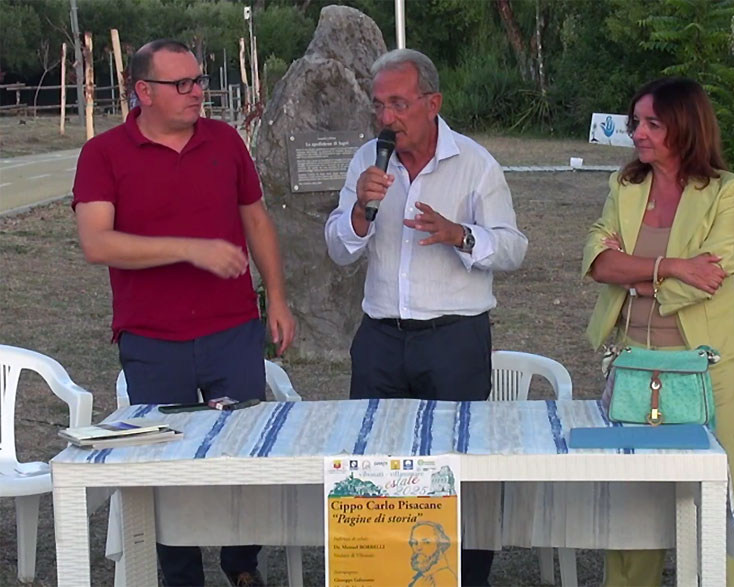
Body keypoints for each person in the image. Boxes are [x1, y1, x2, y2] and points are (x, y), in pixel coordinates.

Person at [72, 39, 295, 587]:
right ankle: (181, 575)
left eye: (198, 81)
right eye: (182, 84)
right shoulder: (103, 154)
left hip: (232, 330)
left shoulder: (224, 141)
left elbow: (256, 220)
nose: (197, 92)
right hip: (152, 338)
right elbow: (97, 243)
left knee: (244, 453)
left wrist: (277, 298)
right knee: (166, 463)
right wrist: (190, 249)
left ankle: (242, 565)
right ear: (143, 92)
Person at [325, 48, 528, 586]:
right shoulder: (368, 160)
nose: (386, 117)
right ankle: (385, 575)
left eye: (398, 104)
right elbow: (339, 248)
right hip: (380, 339)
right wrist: (358, 212)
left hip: (453, 340)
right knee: (374, 467)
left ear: (432, 103)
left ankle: (468, 577)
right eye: (378, 105)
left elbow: (513, 248)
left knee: (460, 465)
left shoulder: (475, 164)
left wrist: (460, 235)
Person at [582, 77, 734, 586]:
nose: (638, 132)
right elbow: (597, 262)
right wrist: (673, 266)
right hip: (635, 361)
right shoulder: (624, 186)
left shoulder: (728, 190)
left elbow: (714, 273)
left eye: (653, 123)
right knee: (632, 491)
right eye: (635, 122)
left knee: (716, 494)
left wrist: (637, 277)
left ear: (685, 127)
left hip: (709, 365)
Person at [409, 521, 458, 587]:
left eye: (426, 542)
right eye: (414, 543)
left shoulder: (444, 577)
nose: (418, 548)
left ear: (440, 545)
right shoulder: (421, 577)